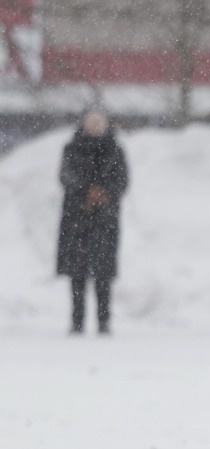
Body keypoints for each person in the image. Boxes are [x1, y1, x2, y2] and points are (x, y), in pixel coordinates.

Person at [56, 107, 129, 335]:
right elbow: (65, 176)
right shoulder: (72, 148)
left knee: (103, 273)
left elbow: (122, 180)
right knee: (77, 272)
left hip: (105, 219)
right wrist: (85, 191)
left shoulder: (115, 150)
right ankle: (77, 321)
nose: (95, 126)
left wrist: (104, 193)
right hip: (76, 217)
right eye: (91, 122)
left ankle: (104, 321)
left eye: (99, 122)